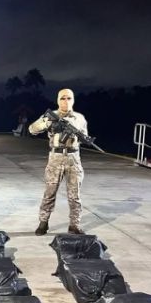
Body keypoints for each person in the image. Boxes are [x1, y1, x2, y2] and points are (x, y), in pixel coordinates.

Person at [29, 88, 87, 235]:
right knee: (49, 192)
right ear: (58, 100)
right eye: (62, 98)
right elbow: (32, 129)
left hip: (73, 158)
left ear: (73, 100)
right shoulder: (51, 116)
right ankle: (43, 223)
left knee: (75, 196)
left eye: (69, 98)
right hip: (56, 158)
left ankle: (74, 225)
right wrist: (47, 124)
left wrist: (76, 136)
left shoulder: (79, 118)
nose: (65, 101)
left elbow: (84, 137)